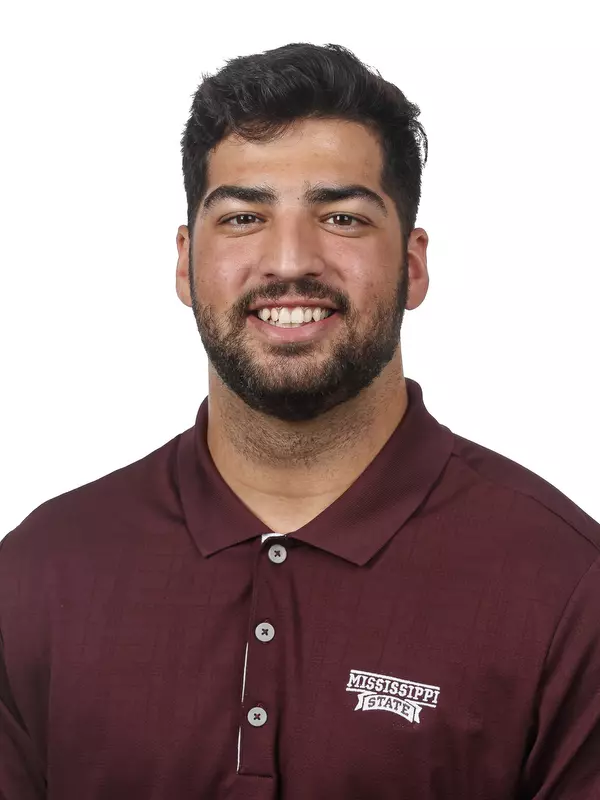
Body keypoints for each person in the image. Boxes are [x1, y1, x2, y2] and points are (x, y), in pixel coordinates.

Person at [1, 41, 598, 800]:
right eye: (245, 216)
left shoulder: (569, 588)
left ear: (412, 266)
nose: (289, 260)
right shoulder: (38, 574)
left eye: (343, 217)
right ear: (185, 264)